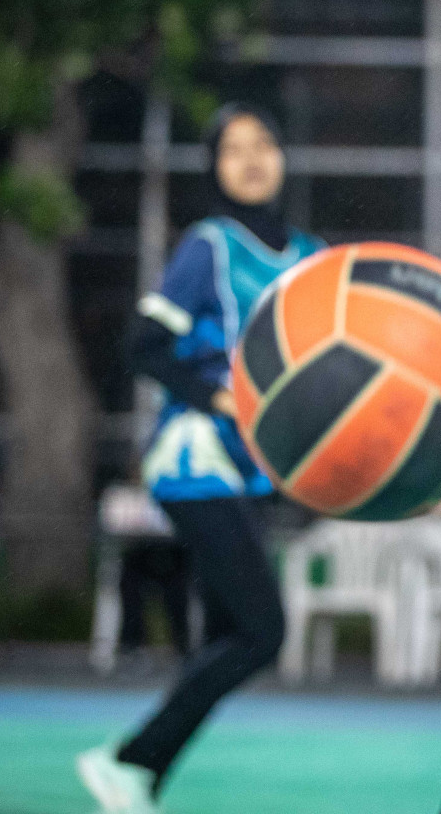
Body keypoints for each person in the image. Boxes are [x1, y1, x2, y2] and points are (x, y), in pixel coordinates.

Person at [77, 104, 322, 814]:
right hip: (195, 460)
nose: (250, 158)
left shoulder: (312, 255)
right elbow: (144, 345)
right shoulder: (207, 246)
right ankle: (127, 760)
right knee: (261, 630)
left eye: (263, 144)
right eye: (231, 149)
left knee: (226, 637)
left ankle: (138, 774)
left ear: (283, 156)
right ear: (213, 167)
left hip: (252, 468)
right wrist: (216, 394)